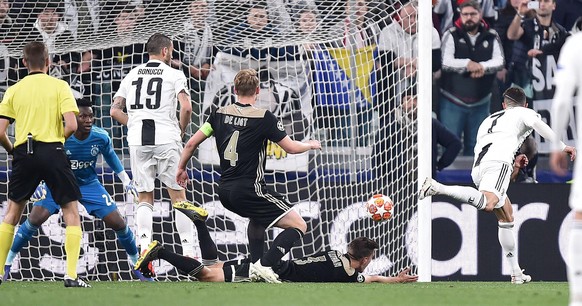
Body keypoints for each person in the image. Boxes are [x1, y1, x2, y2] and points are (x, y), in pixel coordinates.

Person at [176, 68, 321, 283]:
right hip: (250, 189)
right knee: (299, 225)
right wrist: (309, 144)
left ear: (234, 90)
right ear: (257, 91)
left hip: (225, 192)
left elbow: (190, 143)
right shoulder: (264, 117)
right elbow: (290, 148)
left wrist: (181, 168)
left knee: (258, 220)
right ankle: (265, 265)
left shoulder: (218, 114)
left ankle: (254, 265)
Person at [419, 86, 576, 284]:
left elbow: (494, 147)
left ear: (503, 105)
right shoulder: (523, 112)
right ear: (525, 105)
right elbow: (539, 125)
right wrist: (562, 147)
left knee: (507, 216)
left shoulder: (489, 120)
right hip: (498, 165)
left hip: (479, 168)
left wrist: (513, 163)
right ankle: (438, 187)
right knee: (488, 203)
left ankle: (516, 273)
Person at [2, 98, 153, 281]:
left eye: (91, 116)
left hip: (88, 184)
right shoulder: (60, 137)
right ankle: (8, 263)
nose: (88, 120)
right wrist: (40, 182)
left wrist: (126, 180)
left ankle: (136, 264)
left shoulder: (101, 137)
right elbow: (45, 160)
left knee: (119, 223)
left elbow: (111, 157)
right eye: (83, 116)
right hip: (58, 182)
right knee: (34, 219)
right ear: (73, 118)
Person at [111, 33, 208, 262]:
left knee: (145, 197)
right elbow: (186, 108)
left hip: (137, 141)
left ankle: (144, 247)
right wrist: (181, 130)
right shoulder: (174, 74)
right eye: (172, 50)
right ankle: (188, 253)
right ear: (165, 51)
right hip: (166, 138)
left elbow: (114, 111)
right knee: (178, 196)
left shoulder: (131, 74)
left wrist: (133, 123)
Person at [0, 42, 88, 287]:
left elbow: (0, 131)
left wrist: (13, 151)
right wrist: (56, 141)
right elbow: (72, 124)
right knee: (71, 211)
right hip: (53, 150)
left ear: (23, 63)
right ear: (48, 62)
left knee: (12, 213)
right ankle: (71, 276)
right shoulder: (60, 86)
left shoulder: (14, 90)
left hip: (23, 153)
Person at [136, 225, 418, 283]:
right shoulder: (347, 275)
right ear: (366, 260)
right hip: (269, 273)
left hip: (277, 266)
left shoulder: (335, 254)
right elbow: (374, 281)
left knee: (214, 264)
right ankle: (161, 251)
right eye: (369, 261)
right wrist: (397, 279)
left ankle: (200, 223)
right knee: (208, 277)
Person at [439, 0, 504, 155]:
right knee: (449, 146)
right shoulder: (451, 34)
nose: (469, 17)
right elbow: (444, 61)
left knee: (477, 148)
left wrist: (481, 67)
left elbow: (500, 61)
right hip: (452, 100)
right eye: (465, 14)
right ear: (460, 15)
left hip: (481, 102)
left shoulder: (492, 35)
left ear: (480, 15)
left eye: (473, 14)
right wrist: (468, 64)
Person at [549, 32, 582, 306]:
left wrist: (557, 142)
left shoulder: (576, 44)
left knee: (580, 220)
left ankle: (577, 298)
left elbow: (561, 100)